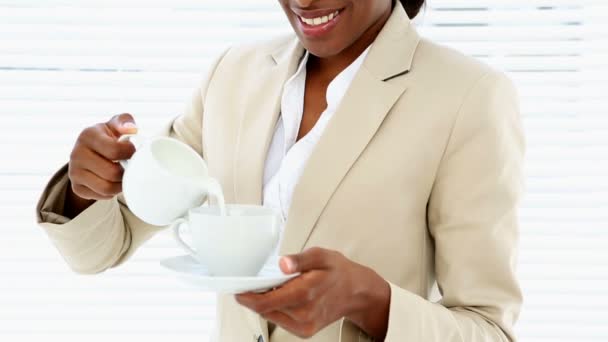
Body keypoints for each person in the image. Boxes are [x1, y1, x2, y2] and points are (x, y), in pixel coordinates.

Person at [36, 0, 525, 341]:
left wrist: (371, 301)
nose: (304, 0)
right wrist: (88, 187)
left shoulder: (467, 96)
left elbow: (488, 329)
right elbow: (104, 247)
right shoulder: (233, 73)